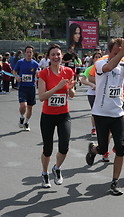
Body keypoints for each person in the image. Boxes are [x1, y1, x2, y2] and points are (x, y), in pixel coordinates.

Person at [85, 36, 124, 195]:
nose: (122, 55)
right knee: (103, 148)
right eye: (118, 51)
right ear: (109, 51)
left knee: (121, 147)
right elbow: (110, 66)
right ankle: (93, 150)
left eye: (123, 51)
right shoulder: (100, 63)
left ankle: (114, 182)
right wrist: (122, 51)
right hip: (101, 114)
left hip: (117, 114)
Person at [38, 44, 75, 188]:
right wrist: (57, 87)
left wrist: (70, 90)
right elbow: (42, 97)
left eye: (58, 54)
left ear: (61, 56)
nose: (56, 57)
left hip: (63, 115)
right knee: (47, 149)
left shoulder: (68, 71)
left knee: (64, 147)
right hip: (48, 115)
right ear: (48, 57)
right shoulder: (44, 74)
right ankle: (44, 173)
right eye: (53, 54)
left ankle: (57, 168)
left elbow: (71, 94)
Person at [13, 45, 39, 131]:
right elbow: (14, 71)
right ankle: (21, 117)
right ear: (25, 53)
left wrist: (38, 73)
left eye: (30, 52)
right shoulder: (20, 62)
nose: (29, 54)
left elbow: (38, 73)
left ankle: (27, 122)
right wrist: (16, 77)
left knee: (30, 107)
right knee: (23, 105)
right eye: (27, 52)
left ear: (32, 53)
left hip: (31, 87)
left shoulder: (35, 64)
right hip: (23, 87)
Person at [80, 52, 102, 136]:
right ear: (93, 59)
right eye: (96, 57)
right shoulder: (90, 68)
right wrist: (92, 84)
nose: (97, 58)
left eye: (99, 57)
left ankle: (101, 127)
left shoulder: (104, 68)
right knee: (94, 111)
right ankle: (94, 128)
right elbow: (83, 80)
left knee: (102, 111)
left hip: (102, 93)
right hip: (92, 93)